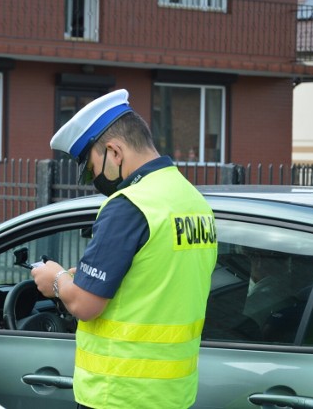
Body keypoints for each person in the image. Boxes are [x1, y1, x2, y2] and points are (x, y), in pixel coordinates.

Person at [32, 89, 218, 409]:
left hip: (120, 392)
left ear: (114, 152)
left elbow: (86, 305)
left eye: (92, 168)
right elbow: (156, 280)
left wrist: (57, 279)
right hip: (174, 394)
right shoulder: (192, 199)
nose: (93, 179)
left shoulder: (128, 206)